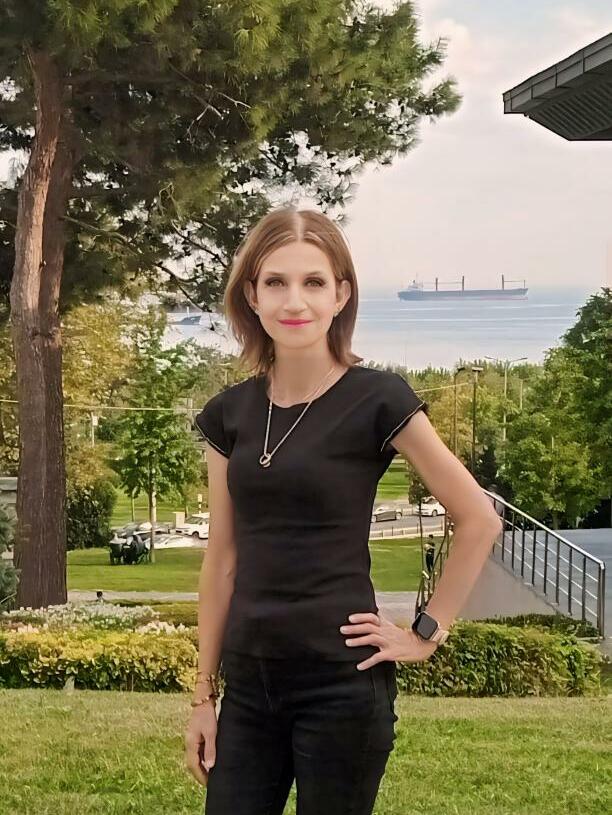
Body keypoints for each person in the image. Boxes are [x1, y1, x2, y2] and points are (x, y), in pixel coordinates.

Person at [184, 207, 503, 815]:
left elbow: (479, 519)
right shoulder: (229, 413)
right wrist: (203, 696)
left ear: (341, 295)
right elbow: (221, 560)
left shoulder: (377, 399)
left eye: (313, 282)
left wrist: (426, 633)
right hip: (249, 688)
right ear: (251, 295)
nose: (294, 301)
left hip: (341, 684)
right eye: (275, 282)